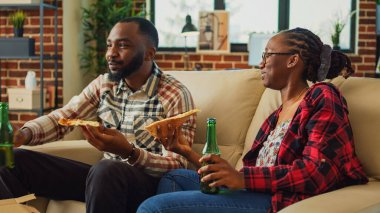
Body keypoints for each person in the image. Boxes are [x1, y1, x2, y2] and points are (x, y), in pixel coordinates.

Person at [136, 28, 369, 213]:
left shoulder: (322, 96)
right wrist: (186, 151)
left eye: (267, 54)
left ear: (292, 60)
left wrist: (242, 178)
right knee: (174, 177)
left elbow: (316, 172)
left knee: (152, 208)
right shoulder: (274, 118)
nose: (261, 63)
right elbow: (241, 176)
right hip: (255, 191)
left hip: (280, 200)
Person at [0, 17, 196, 213]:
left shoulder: (175, 95)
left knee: (107, 169)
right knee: (13, 160)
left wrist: (129, 152)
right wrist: (24, 134)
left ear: (149, 54)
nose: (111, 54)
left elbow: (178, 165)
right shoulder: (104, 84)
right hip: (102, 181)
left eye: (123, 46)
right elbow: (64, 117)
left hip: (150, 186)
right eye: (109, 45)